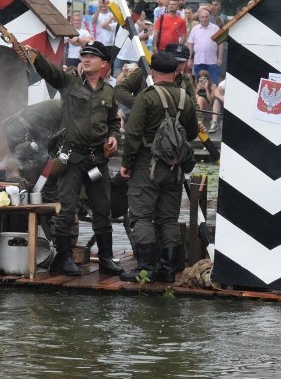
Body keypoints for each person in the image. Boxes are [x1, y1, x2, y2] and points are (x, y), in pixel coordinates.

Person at [13, 39, 123, 277]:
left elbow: (113, 121)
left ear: (104, 63)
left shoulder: (108, 92)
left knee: (103, 208)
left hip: (96, 161)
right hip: (70, 158)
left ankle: (106, 257)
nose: (86, 58)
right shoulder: (69, 81)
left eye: (92, 56)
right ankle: (64, 258)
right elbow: (49, 71)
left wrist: (114, 136)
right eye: (84, 55)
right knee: (66, 208)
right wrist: (34, 56)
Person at [119, 51, 198, 283]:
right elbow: (191, 133)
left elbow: (133, 133)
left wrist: (126, 163)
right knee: (168, 219)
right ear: (175, 72)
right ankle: (167, 269)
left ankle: (145, 269)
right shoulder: (186, 98)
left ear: (152, 71)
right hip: (174, 169)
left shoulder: (147, 96)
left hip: (146, 166)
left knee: (142, 217)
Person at [114, 43, 196, 112]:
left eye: (181, 62)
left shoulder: (185, 81)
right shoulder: (144, 72)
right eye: (174, 61)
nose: (176, 65)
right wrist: (140, 104)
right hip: (142, 121)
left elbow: (194, 106)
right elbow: (119, 90)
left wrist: (198, 121)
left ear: (186, 63)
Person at [187, 7, 222, 84]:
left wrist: (219, 58)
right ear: (199, 18)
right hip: (198, 61)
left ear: (209, 17)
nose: (204, 19)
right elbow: (190, 45)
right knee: (200, 83)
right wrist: (189, 59)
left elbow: (220, 43)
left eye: (206, 17)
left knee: (213, 83)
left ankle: (212, 96)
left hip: (212, 61)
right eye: (202, 17)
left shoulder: (215, 28)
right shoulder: (195, 29)